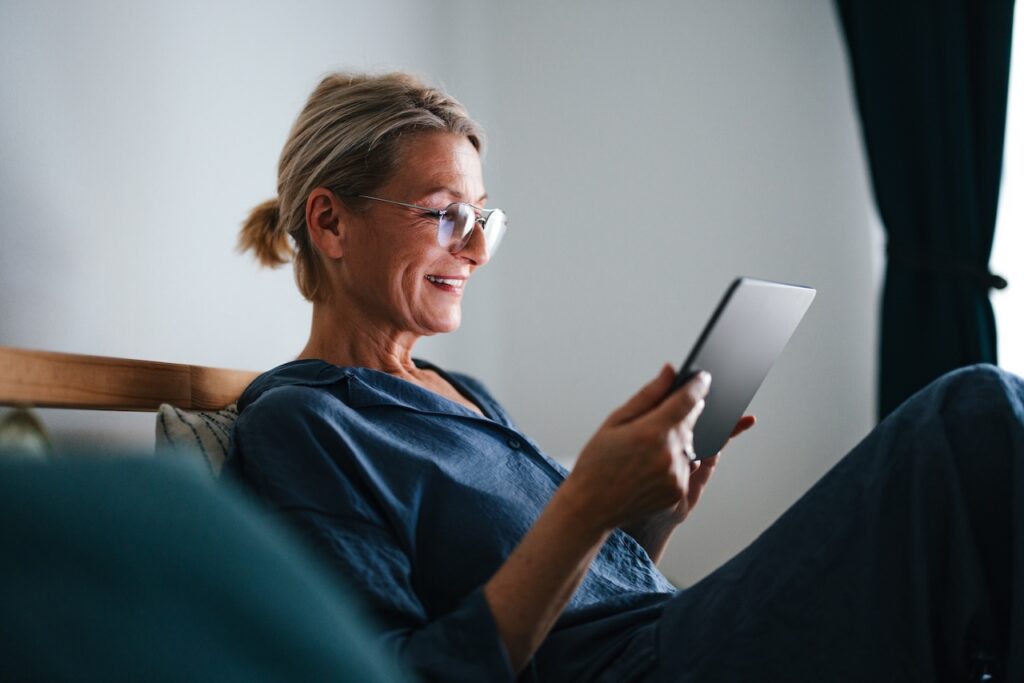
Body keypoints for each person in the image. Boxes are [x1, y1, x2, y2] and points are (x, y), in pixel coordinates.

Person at [224, 72, 1024, 682]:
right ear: (330, 221)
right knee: (973, 417)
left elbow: (579, 586)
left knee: (974, 483)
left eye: (482, 219)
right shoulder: (301, 424)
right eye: (444, 214)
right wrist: (583, 503)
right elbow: (409, 669)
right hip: (643, 666)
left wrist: (648, 516)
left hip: (667, 628)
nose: (473, 251)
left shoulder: (460, 393)